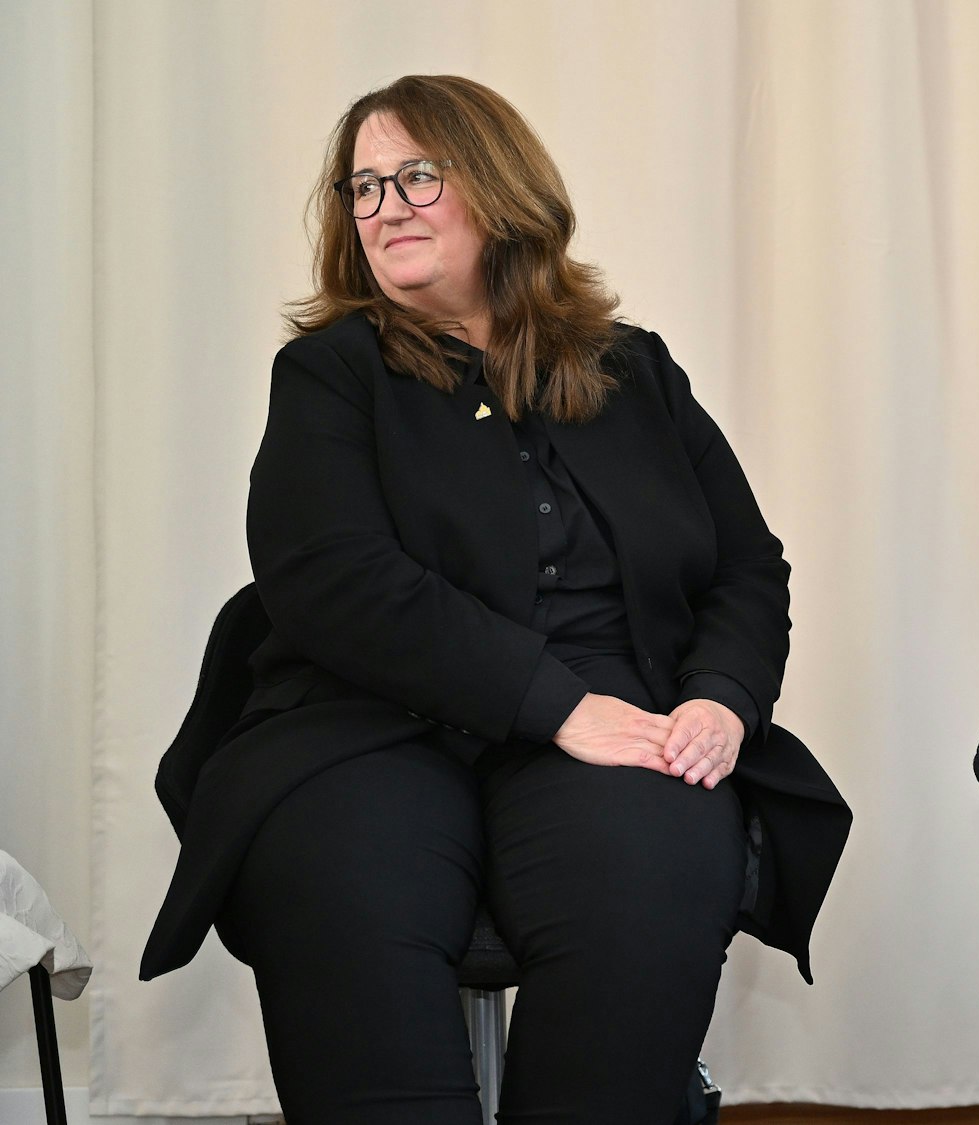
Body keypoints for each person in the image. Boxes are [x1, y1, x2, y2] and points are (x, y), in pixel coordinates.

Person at [138, 75, 850, 1124]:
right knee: (342, 887)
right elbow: (332, 580)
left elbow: (746, 568)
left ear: (497, 186)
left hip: (619, 713)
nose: (384, 207)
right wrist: (555, 706)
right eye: (363, 188)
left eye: (417, 175)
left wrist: (719, 700)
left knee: (649, 881)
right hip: (364, 721)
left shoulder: (631, 371)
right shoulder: (331, 374)